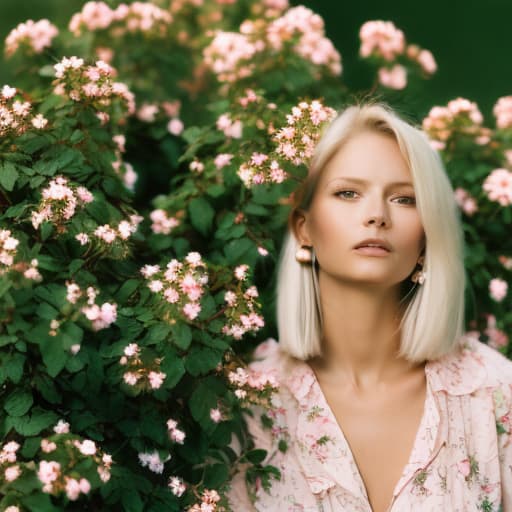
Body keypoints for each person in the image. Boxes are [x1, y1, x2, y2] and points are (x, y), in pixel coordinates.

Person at [227, 102, 512, 511]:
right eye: (348, 193)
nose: (376, 215)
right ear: (303, 229)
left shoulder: (495, 394)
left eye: (404, 199)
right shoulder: (249, 406)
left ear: (426, 241)